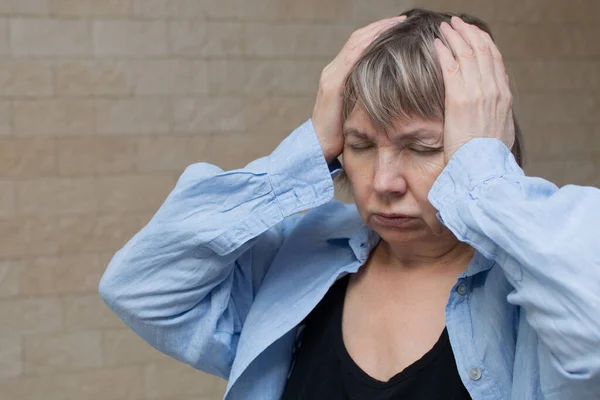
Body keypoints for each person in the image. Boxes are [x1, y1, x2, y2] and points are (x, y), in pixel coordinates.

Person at [99, 8, 600, 400]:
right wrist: (304, 153)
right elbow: (141, 287)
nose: (382, 182)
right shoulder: (301, 259)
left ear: (484, 145)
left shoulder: (539, 282)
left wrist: (488, 183)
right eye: (360, 145)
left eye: (423, 148)